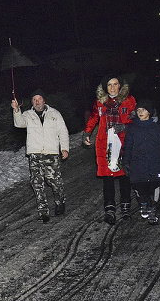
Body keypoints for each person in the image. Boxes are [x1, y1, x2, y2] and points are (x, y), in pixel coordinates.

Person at [83, 75, 136, 224]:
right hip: (105, 144)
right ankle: (110, 209)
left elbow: (136, 119)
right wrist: (87, 132)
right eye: (109, 85)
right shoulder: (100, 102)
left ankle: (126, 207)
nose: (112, 88)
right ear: (105, 87)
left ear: (120, 85)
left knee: (125, 176)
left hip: (124, 142)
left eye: (115, 84)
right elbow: (94, 117)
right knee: (108, 178)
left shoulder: (129, 100)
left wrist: (125, 127)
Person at [11, 89, 70, 222]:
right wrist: (16, 110)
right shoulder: (28, 115)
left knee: (55, 182)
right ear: (32, 102)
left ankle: (60, 202)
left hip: (51, 154)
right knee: (37, 183)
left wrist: (64, 148)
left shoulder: (54, 114)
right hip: (35, 154)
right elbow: (19, 123)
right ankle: (43, 211)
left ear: (44, 100)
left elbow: (63, 132)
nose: (37, 102)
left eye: (39, 99)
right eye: (34, 99)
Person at [122, 100, 160, 224]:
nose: (140, 112)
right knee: (140, 185)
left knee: (155, 184)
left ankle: (153, 208)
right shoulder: (132, 128)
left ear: (149, 112)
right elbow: (128, 146)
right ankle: (143, 203)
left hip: (155, 161)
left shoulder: (157, 127)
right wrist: (126, 161)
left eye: (143, 110)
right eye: (138, 110)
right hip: (138, 162)